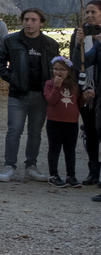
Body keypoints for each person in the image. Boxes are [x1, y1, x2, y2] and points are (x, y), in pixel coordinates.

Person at [0, 7, 57, 183]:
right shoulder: (11, 41)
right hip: (18, 93)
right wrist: (12, 78)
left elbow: (56, 68)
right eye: (26, 20)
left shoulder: (50, 44)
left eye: (33, 20)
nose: (29, 23)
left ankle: (31, 165)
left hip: (41, 94)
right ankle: (9, 165)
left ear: (41, 23)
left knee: (35, 132)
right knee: (14, 130)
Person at [69, 0, 100, 188]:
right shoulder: (80, 33)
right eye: (87, 12)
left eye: (93, 12)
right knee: (90, 131)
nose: (89, 15)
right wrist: (78, 44)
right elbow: (77, 63)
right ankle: (93, 170)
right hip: (86, 89)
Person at [44, 57, 81, 188]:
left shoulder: (74, 85)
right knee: (54, 149)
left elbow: (78, 102)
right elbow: (51, 101)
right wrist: (57, 86)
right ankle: (53, 175)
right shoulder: (49, 84)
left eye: (62, 69)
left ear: (69, 71)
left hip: (71, 122)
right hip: (55, 122)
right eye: (55, 69)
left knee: (70, 150)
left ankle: (71, 175)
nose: (58, 72)